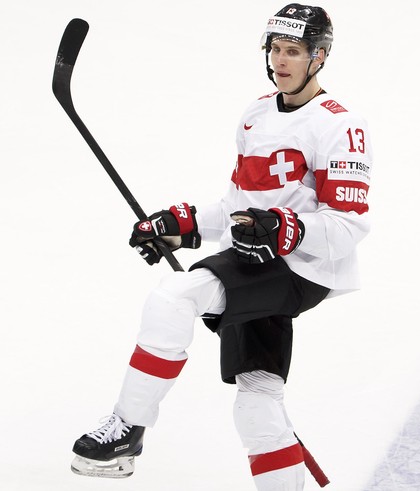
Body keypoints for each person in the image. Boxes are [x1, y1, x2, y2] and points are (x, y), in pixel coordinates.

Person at [70, 4, 372, 490]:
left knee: (175, 296)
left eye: (293, 51)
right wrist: (181, 224)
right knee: (258, 400)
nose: (280, 61)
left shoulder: (340, 124)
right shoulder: (256, 113)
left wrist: (283, 229)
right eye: (275, 48)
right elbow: (239, 210)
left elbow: (347, 227)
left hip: (303, 269)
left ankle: (127, 427)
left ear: (319, 58)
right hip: (255, 263)